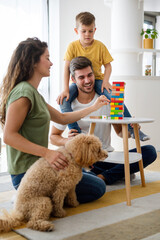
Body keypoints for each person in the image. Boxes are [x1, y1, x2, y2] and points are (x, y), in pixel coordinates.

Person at [0, 38, 108, 203]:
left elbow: (62, 117)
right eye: (47, 58)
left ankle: (42, 195)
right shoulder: (23, 93)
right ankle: (32, 198)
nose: (51, 63)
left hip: (41, 166)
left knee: (86, 174)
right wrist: (48, 153)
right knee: (98, 187)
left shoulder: (33, 93)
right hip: (27, 174)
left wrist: (94, 106)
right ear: (34, 62)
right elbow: (9, 136)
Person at [51, 56, 157, 185]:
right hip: (84, 160)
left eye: (90, 75)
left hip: (106, 156)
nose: (87, 80)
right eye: (81, 77)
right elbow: (53, 136)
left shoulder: (107, 100)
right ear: (73, 79)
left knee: (149, 151)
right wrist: (66, 140)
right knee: (62, 166)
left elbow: (119, 133)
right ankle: (118, 172)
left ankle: (103, 177)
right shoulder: (67, 105)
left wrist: (132, 129)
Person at [57, 11, 150, 141]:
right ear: (76, 31)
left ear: (95, 30)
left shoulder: (100, 46)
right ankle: (76, 132)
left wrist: (106, 81)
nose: (87, 34)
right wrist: (66, 89)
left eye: (90, 31)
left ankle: (133, 129)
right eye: (83, 31)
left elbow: (108, 66)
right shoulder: (72, 46)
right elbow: (66, 69)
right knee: (63, 102)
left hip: (98, 80)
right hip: (79, 83)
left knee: (116, 97)